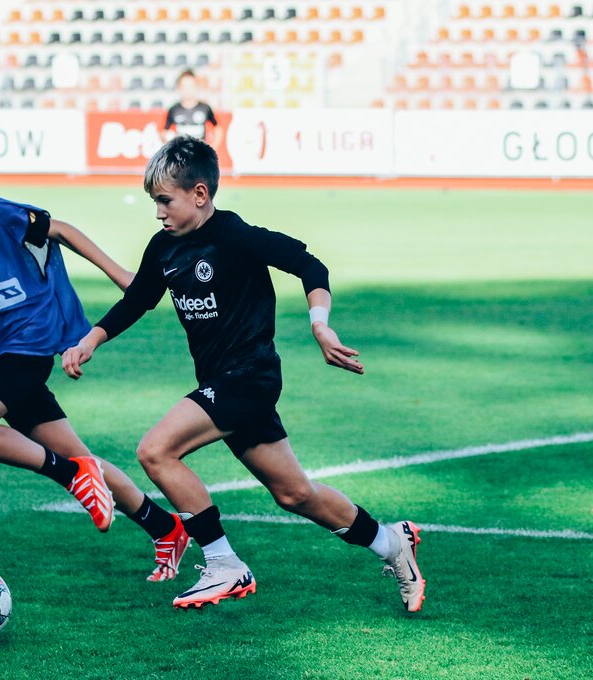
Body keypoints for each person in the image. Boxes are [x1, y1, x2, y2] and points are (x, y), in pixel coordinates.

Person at [62, 136, 426, 611]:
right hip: (222, 383)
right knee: (295, 494)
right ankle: (392, 543)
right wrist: (90, 340)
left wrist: (320, 325)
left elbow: (309, 265)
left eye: (165, 201)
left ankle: (224, 564)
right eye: (155, 202)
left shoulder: (234, 236)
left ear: (199, 194)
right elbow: (138, 299)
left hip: (248, 378)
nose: (158, 213)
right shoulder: (164, 247)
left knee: (156, 451)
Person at [0, 141, 191, 581]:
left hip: (27, 343)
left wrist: (123, 276)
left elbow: (62, 231)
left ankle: (70, 475)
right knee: (82, 458)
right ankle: (165, 529)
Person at [163, 70, 218, 142]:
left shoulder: (205, 108)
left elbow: (218, 129)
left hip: (199, 149)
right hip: (181, 149)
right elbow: (164, 132)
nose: (188, 90)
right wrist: (167, 140)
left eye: (191, 86)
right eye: (184, 87)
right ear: (179, 88)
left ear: (196, 87)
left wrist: (213, 146)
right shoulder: (174, 110)